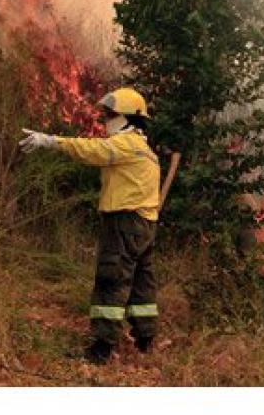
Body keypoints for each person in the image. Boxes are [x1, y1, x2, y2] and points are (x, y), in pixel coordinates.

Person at [19, 87, 160, 364]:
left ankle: (102, 348)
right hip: (145, 224)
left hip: (124, 221)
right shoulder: (146, 150)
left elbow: (93, 151)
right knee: (142, 283)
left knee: (112, 278)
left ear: (128, 117)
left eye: (110, 114)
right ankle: (145, 339)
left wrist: (51, 141)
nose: (106, 119)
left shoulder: (127, 143)